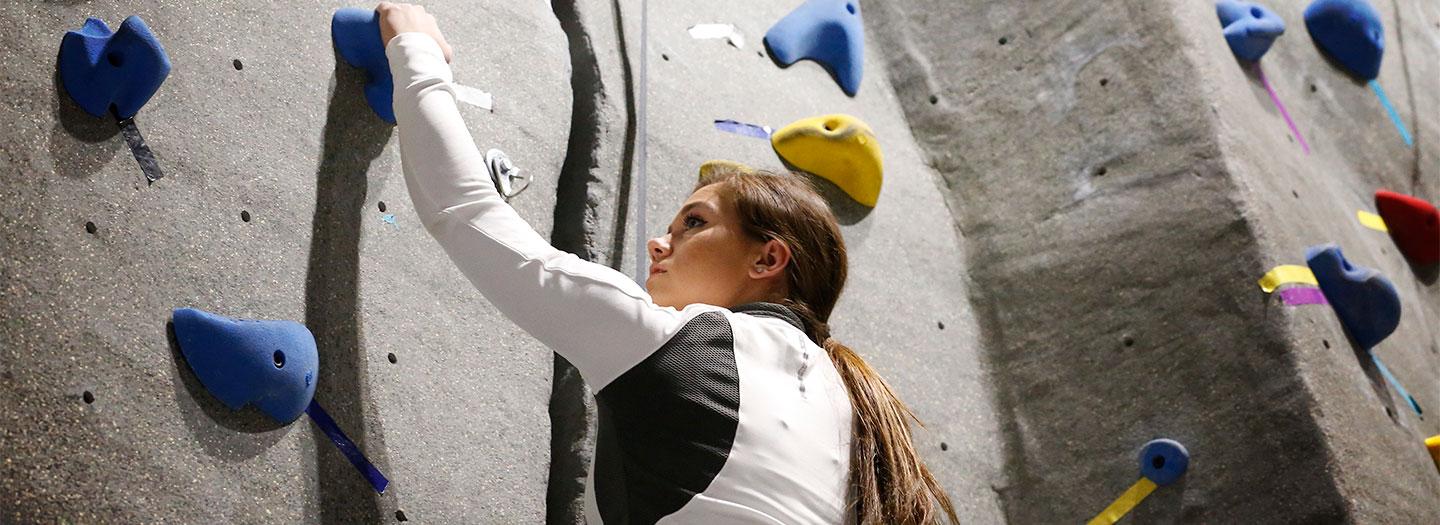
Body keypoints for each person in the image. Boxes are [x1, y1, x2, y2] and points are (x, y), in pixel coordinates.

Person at [376, 3, 957, 523]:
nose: (658, 244)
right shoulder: (854, 419)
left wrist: (415, 48)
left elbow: (467, 209)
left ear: (768, 258)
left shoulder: (683, 345)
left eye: (694, 224)